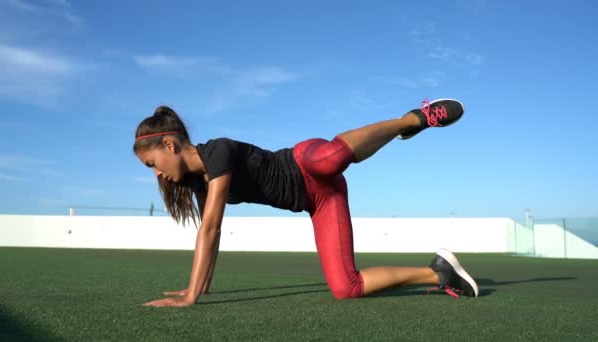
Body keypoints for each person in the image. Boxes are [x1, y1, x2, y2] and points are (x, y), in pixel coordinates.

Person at [133, 98, 479, 307]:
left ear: (169, 146)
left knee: (329, 159)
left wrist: (191, 296)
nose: (157, 175)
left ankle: (412, 120)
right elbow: (212, 232)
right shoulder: (199, 182)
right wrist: (200, 286)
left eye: (152, 165)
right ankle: (439, 272)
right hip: (320, 200)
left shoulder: (217, 152)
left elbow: (211, 227)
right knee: (347, 288)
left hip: (304, 160)